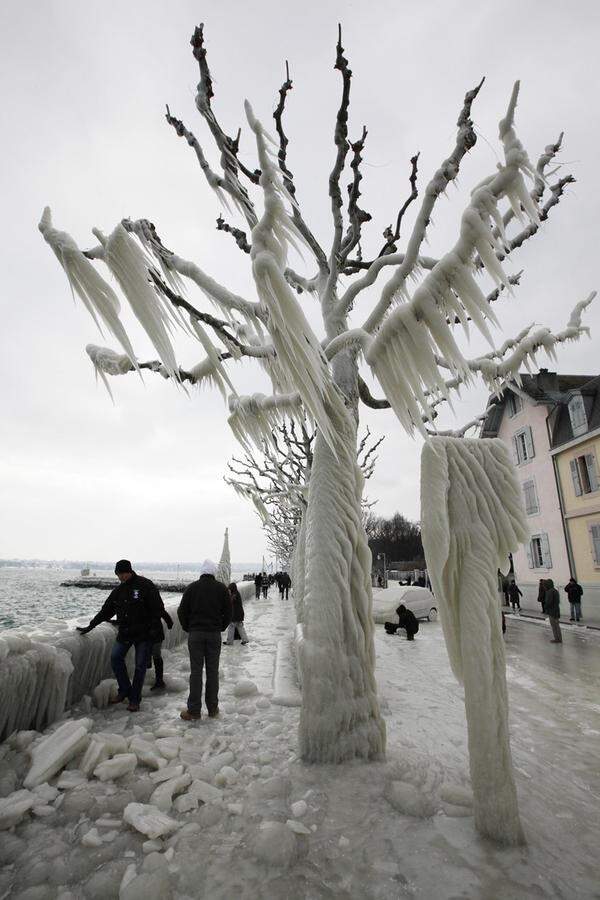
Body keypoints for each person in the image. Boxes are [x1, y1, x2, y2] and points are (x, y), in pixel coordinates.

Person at [76, 559, 164, 712]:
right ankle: (124, 689)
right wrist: (91, 625)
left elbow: (158, 608)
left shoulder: (145, 585)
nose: (121, 577)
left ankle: (134, 700)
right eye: (118, 574)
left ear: (129, 571)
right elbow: (106, 611)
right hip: (126, 631)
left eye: (123, 573)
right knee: (115, 657)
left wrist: (153, 629)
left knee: (140, 667)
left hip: (144, 634)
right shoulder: (119, 591)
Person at [177, 559, 232, 721]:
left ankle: (194, 710)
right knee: (212, 672)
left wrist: (189, 627)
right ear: (213, 572)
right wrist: (220, 627)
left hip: (196, 634)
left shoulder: (192, 588)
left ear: (201, 572)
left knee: (196, 672)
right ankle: (213, 708)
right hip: (214, 634)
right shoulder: (222, 589)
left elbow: (181, 611)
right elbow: (229, 612)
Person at [147, 601, 174, 692]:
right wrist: (169, 623)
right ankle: (157, 679)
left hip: (154, 633)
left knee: (155, 655)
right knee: (153, 655)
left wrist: (169, 622)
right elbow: (163, 613)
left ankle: (159, 681)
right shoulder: (152, 599)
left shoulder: (152, 599)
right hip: (150, 633)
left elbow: (163, 613)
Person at [544, 579, 562, 643]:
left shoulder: (549, 592)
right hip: (556, 610)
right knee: (557, 625)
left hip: (552, 611)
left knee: (554, 626)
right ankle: (559, 638)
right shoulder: (555, 591)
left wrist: (545, 607)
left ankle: (557, 638)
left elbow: (549, 602)